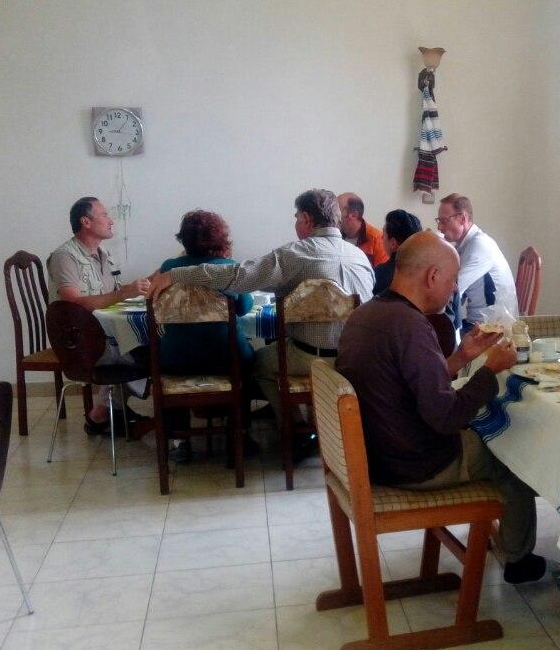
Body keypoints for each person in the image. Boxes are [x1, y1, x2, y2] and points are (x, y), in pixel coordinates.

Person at [336, 231, 546, 583]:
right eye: (451, 280)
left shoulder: (368, 313)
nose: (453, 290)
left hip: (380, 453)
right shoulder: (410, 325)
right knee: (513, 454)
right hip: (417, 464)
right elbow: (446, 416)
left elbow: (408, 383)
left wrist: (461, 357)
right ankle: (518, 559)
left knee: (490, 432)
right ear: (432, 276)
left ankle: (504, 540)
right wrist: (491, 370)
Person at [149, 189, 374, 438]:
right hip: (356, 357)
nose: (296, 223)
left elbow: (237, 277)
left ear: (308, 220)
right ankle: (327, 428)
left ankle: (296, 430)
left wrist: (178, 274)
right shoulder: (361, 257)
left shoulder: (295, 253)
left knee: (259, 367)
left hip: (309, 357)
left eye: (297, 217)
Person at [156, 210, 257, 462]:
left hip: (176, 360)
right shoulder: (229, 269)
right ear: (221, 239)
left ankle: (180, 440)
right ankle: (239, 435)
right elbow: (244, 308)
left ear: (184, 239)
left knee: (168, 358)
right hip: (225, 357)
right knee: (248, 363)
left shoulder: (169, 268)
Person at [47, 196, 152, 435]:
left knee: (148, 345)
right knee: (145, 350)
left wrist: (143, 286)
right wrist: (126, 292)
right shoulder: (65, 256)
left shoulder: (103, 253)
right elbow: (72, 304)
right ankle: (104, 414)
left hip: (103, 332)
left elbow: (113, 293)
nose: (111, 220)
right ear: (86, 221)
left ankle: (106, 412)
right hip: (80, 340)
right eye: (104, 215)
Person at [435, 193, 518, 332]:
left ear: (462, 218)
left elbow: (451, 289)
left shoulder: (479, 245)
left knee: (433, 338)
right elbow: (456, 295)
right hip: (477, 323)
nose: (440, 228)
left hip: (494, 330)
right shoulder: (464, 246)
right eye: (439, 221)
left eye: (444, 221)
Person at [373, 209, 422, 295]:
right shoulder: (426, 273)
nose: (381, 237)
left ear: (393, 243)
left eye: (384, 234)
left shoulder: (378, 275)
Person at [337, 192, 390, 268]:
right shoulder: (333, 237)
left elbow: (382, 276)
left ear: (354, 215)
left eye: (337, 213)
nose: (333, 217)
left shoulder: (377, 239)